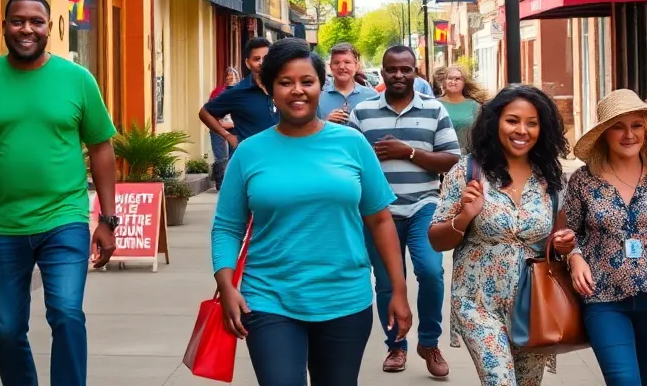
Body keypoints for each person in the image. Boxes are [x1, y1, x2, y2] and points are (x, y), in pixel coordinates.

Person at [212, 38, 412, 386]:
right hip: (269, 298)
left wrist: (398, 289)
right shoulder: (249, 152)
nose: (297, 91)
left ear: (322, 85)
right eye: (285, 82)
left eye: (307, 81)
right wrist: (226, 284)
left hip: (344, 299)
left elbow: (380, 219)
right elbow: (227, 227)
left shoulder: (351, 143)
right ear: (268, 88)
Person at [0, 0, 119, 386]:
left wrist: (107, 218)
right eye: (18, 21)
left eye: (36, 22)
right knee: (6, 329)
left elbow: (101, 149)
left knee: (66, 313)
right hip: (4, 224)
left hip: (65, 218)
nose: (27, 29)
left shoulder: (77, 80)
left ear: (51, 27)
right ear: (4, 26)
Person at [428, 85, 576, 386]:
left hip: (534, 304)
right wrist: (465, 215)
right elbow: (436, 239)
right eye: (512, 120)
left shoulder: (550, 176)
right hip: (477, 301)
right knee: (500, 381)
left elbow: (556, 239)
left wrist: (562, 244)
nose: (522, 130)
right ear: (495, 122)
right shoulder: (469, 171)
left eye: (532, 123)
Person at [564, 89, 647, 386]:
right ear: (604, 133)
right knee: (624, 380)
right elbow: (569, 232)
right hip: (602, 298)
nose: (629, 135)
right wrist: (574, 258)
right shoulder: (583, 179)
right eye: (618, 127)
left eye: (636, 125)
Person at [347, 45, 461, 377]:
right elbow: (347, 161)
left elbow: (451, 158)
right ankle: (396, 346)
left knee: (430, 271)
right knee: (385, 282)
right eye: (392, 69)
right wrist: (369, 157)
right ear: (381, 73)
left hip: (423, 205)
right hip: (377, 210)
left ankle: (429, 342)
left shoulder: (433, 109)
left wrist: (407, 152)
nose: (399, 75)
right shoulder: (363, 111)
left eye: (406, 69)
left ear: (416, 72)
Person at [199, 37, 275, 147]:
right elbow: (205, 113)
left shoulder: (282, 87)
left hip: (280, 157)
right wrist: (227, 136)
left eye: (266, 58)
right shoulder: (238, 91)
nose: (261, 63)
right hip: (249, 158)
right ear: (248, 63)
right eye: (256, 59)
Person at [432, 65, 488, 153]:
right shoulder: (434, 105)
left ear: (464, 82)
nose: (453, 82)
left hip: (468, 158)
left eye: (457, 79)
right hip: (442, 158)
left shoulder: (474, 106)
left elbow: (481, 135)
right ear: (444, 81)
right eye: (450, 78)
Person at [318, 42, 377, 123]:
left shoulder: (372, 96)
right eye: (336, 63)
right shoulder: (318, 96)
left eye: (347, 62)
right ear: (330, 66)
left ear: (357, 67)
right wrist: (325, 122)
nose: (342, 67)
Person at [208, 67, 240, 191]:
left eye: (234, 77)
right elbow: (210, 111)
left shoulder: (241, 92)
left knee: (234, 157)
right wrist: (221, 124)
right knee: (222, 158)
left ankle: (231, 182)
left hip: (235, 128)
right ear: (225, 78)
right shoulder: (218, 91)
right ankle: (221, 184)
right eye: (229, 76)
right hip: (218, 129)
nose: (231, 79)